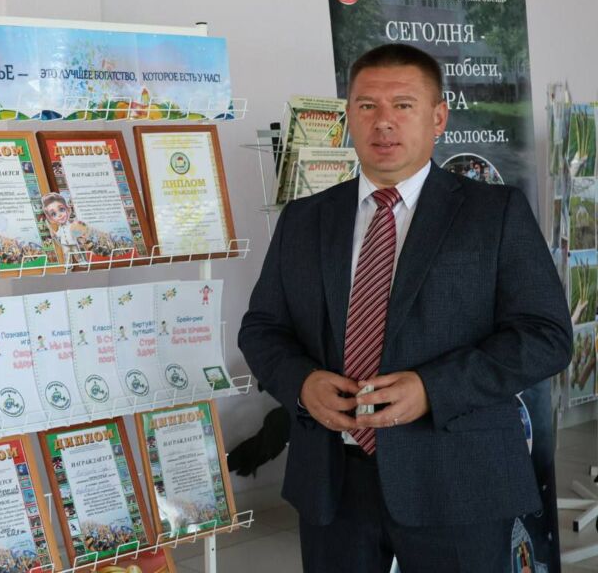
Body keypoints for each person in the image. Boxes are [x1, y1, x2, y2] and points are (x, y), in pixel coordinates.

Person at [238, 43, 571, 571]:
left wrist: (432, 389)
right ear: (349, 116)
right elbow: (262, 328)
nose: (384, 122)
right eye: (367, 106)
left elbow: (546, 336)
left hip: (457, 478)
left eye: (403, 105)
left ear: (438, 118)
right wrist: (301, 384)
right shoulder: (304, 219)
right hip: (333, 483)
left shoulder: (494, 213)